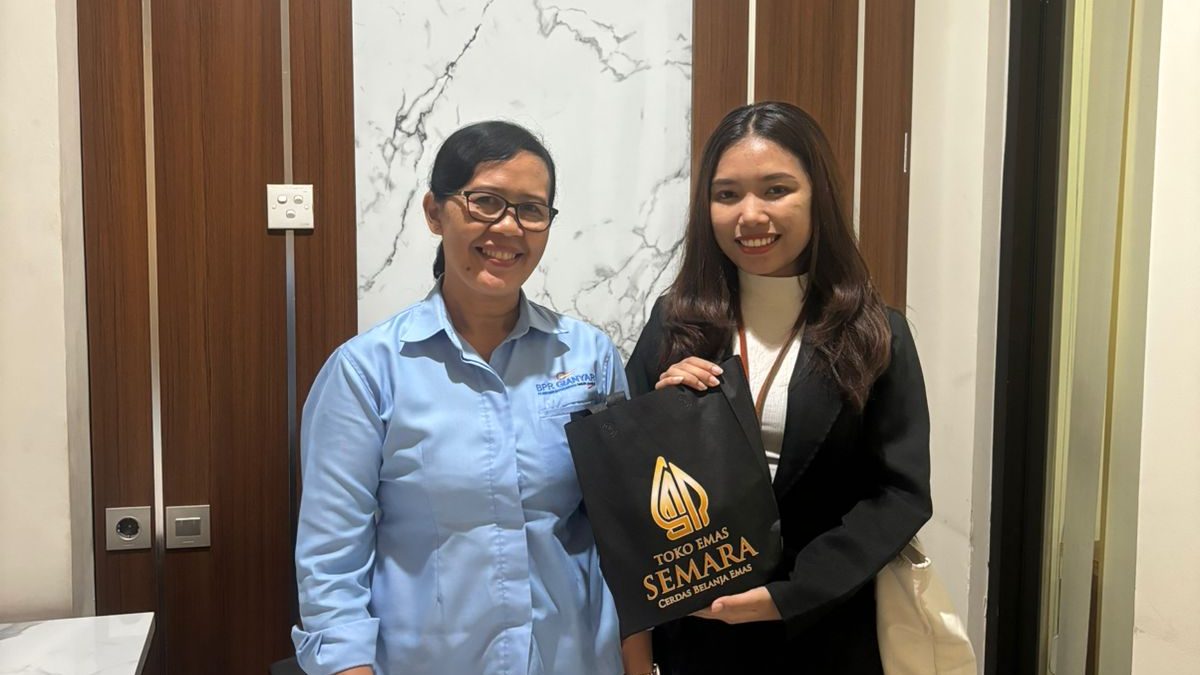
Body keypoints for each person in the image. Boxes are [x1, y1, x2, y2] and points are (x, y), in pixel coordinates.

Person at [292, 121, 650, 675]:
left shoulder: (588, 358)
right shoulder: (367, 372)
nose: (508, 226)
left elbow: (621, 539)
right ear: (435, 213)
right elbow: (332, 566)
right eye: (485, 202)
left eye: (531, 210)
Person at [625, 101, 932, 674]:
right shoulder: (675, 322)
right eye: (727, 194)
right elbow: (630, 479)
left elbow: (900, 494)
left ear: (817, 197)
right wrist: (663, 415)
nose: (750, 215)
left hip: (823, 630)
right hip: (699, 632)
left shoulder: (875, 332)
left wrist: (789, 596)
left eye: (775, 190)